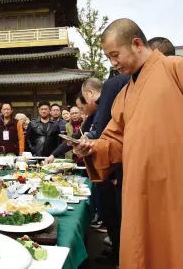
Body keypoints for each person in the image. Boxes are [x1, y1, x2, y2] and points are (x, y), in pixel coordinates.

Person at [72, 18, 183, 269]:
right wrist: (92, 148)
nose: (113, 63)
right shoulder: (125, 93)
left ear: (136, 44)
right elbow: (114, 139)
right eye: (108, 57)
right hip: (137, 189)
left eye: (115, 54)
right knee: (140, 250)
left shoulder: (174, 68)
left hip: (175, 187)